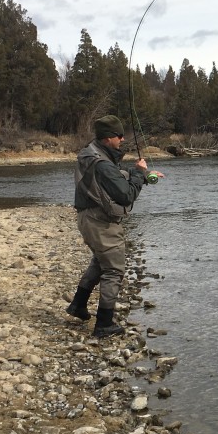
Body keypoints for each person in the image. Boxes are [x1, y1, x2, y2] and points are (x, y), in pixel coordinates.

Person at [67, 114, 163, 337]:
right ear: (108, 138)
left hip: (87, 218)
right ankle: (104, 324)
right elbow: (126, 195)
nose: (122, 139)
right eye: (119, 136)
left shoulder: (90, 153)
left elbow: (116, 176)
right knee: (114, 269)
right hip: (99, 222)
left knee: (100, 263)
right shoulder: (102, 163)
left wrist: (144, 176)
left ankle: (78, 306)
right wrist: (140, 174)